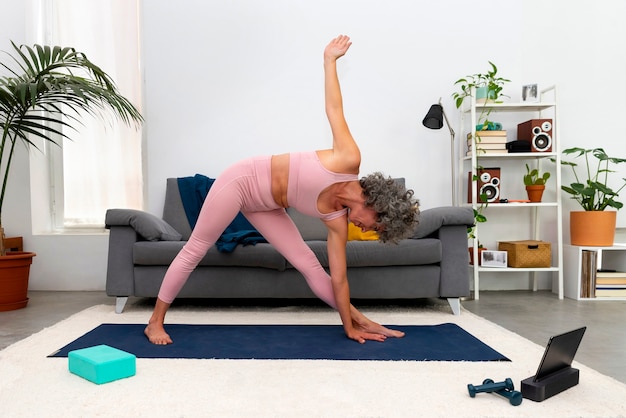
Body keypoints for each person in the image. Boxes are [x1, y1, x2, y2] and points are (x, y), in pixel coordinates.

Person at [145, 35, 419, 345]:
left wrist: (350, 325)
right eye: (376, 226)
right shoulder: (347, 159)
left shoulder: (337, 221)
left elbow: (338, 280)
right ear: (377, 206)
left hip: (266, 206)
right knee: (195, 248)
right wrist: (329, 61)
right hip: (242, 181)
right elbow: (334, 108)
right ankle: (155, 321)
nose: (366, 228)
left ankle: (361, 318)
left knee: (310, 266)